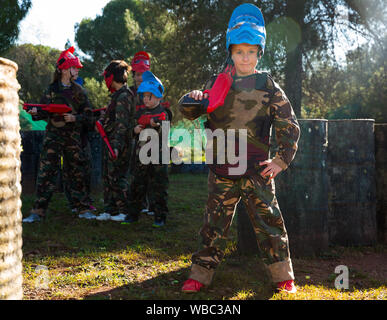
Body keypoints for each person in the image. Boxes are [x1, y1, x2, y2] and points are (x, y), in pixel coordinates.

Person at [179, 4, 300, 293]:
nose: (245, 57)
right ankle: (200, 275)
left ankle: (283, 276)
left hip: (257, 170)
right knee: (213, 225)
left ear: (259, 53)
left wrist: (281, 160)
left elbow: (288, 124)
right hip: (222, 169)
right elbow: (192, 111)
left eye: (250, 52)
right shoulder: (217, 83)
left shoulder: (268, 86)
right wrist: (192, 97)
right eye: (239, 52)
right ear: (231, 53)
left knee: (270, 223)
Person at [23, 46, 96, 222]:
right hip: (53, 138)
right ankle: (38, 211)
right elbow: (42, 112)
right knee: (46, 172)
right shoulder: (51, 90)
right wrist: (34, 112)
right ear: (64, 69)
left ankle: (82, 208)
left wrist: (75, 118)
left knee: (76, 172)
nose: (77, 70)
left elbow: (89, 116)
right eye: (74, 67)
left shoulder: (79, 91)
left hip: (72, 139)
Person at [124, 71, 171, 227]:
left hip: (158, 156)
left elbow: (165, 126)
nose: (145, 99)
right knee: (137, 185)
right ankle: (132, 214)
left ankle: (160, 216)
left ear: (158, 96)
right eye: (144, 96)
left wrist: (155, 124)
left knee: (159, 186)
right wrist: (135, 130)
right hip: (141, 156)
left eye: (149, 96)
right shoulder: (139, 112)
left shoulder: (164, 113)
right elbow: (131, 128)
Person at [95, 60, 135, 222]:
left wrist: (116, 146)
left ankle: (124, 211)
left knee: (117, 176)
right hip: (111, 141)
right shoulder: (118, 96)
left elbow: (122, 124)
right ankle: (110, 210)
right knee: (108, 176)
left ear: (112, 77)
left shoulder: (124, 97)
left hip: (119, 144)